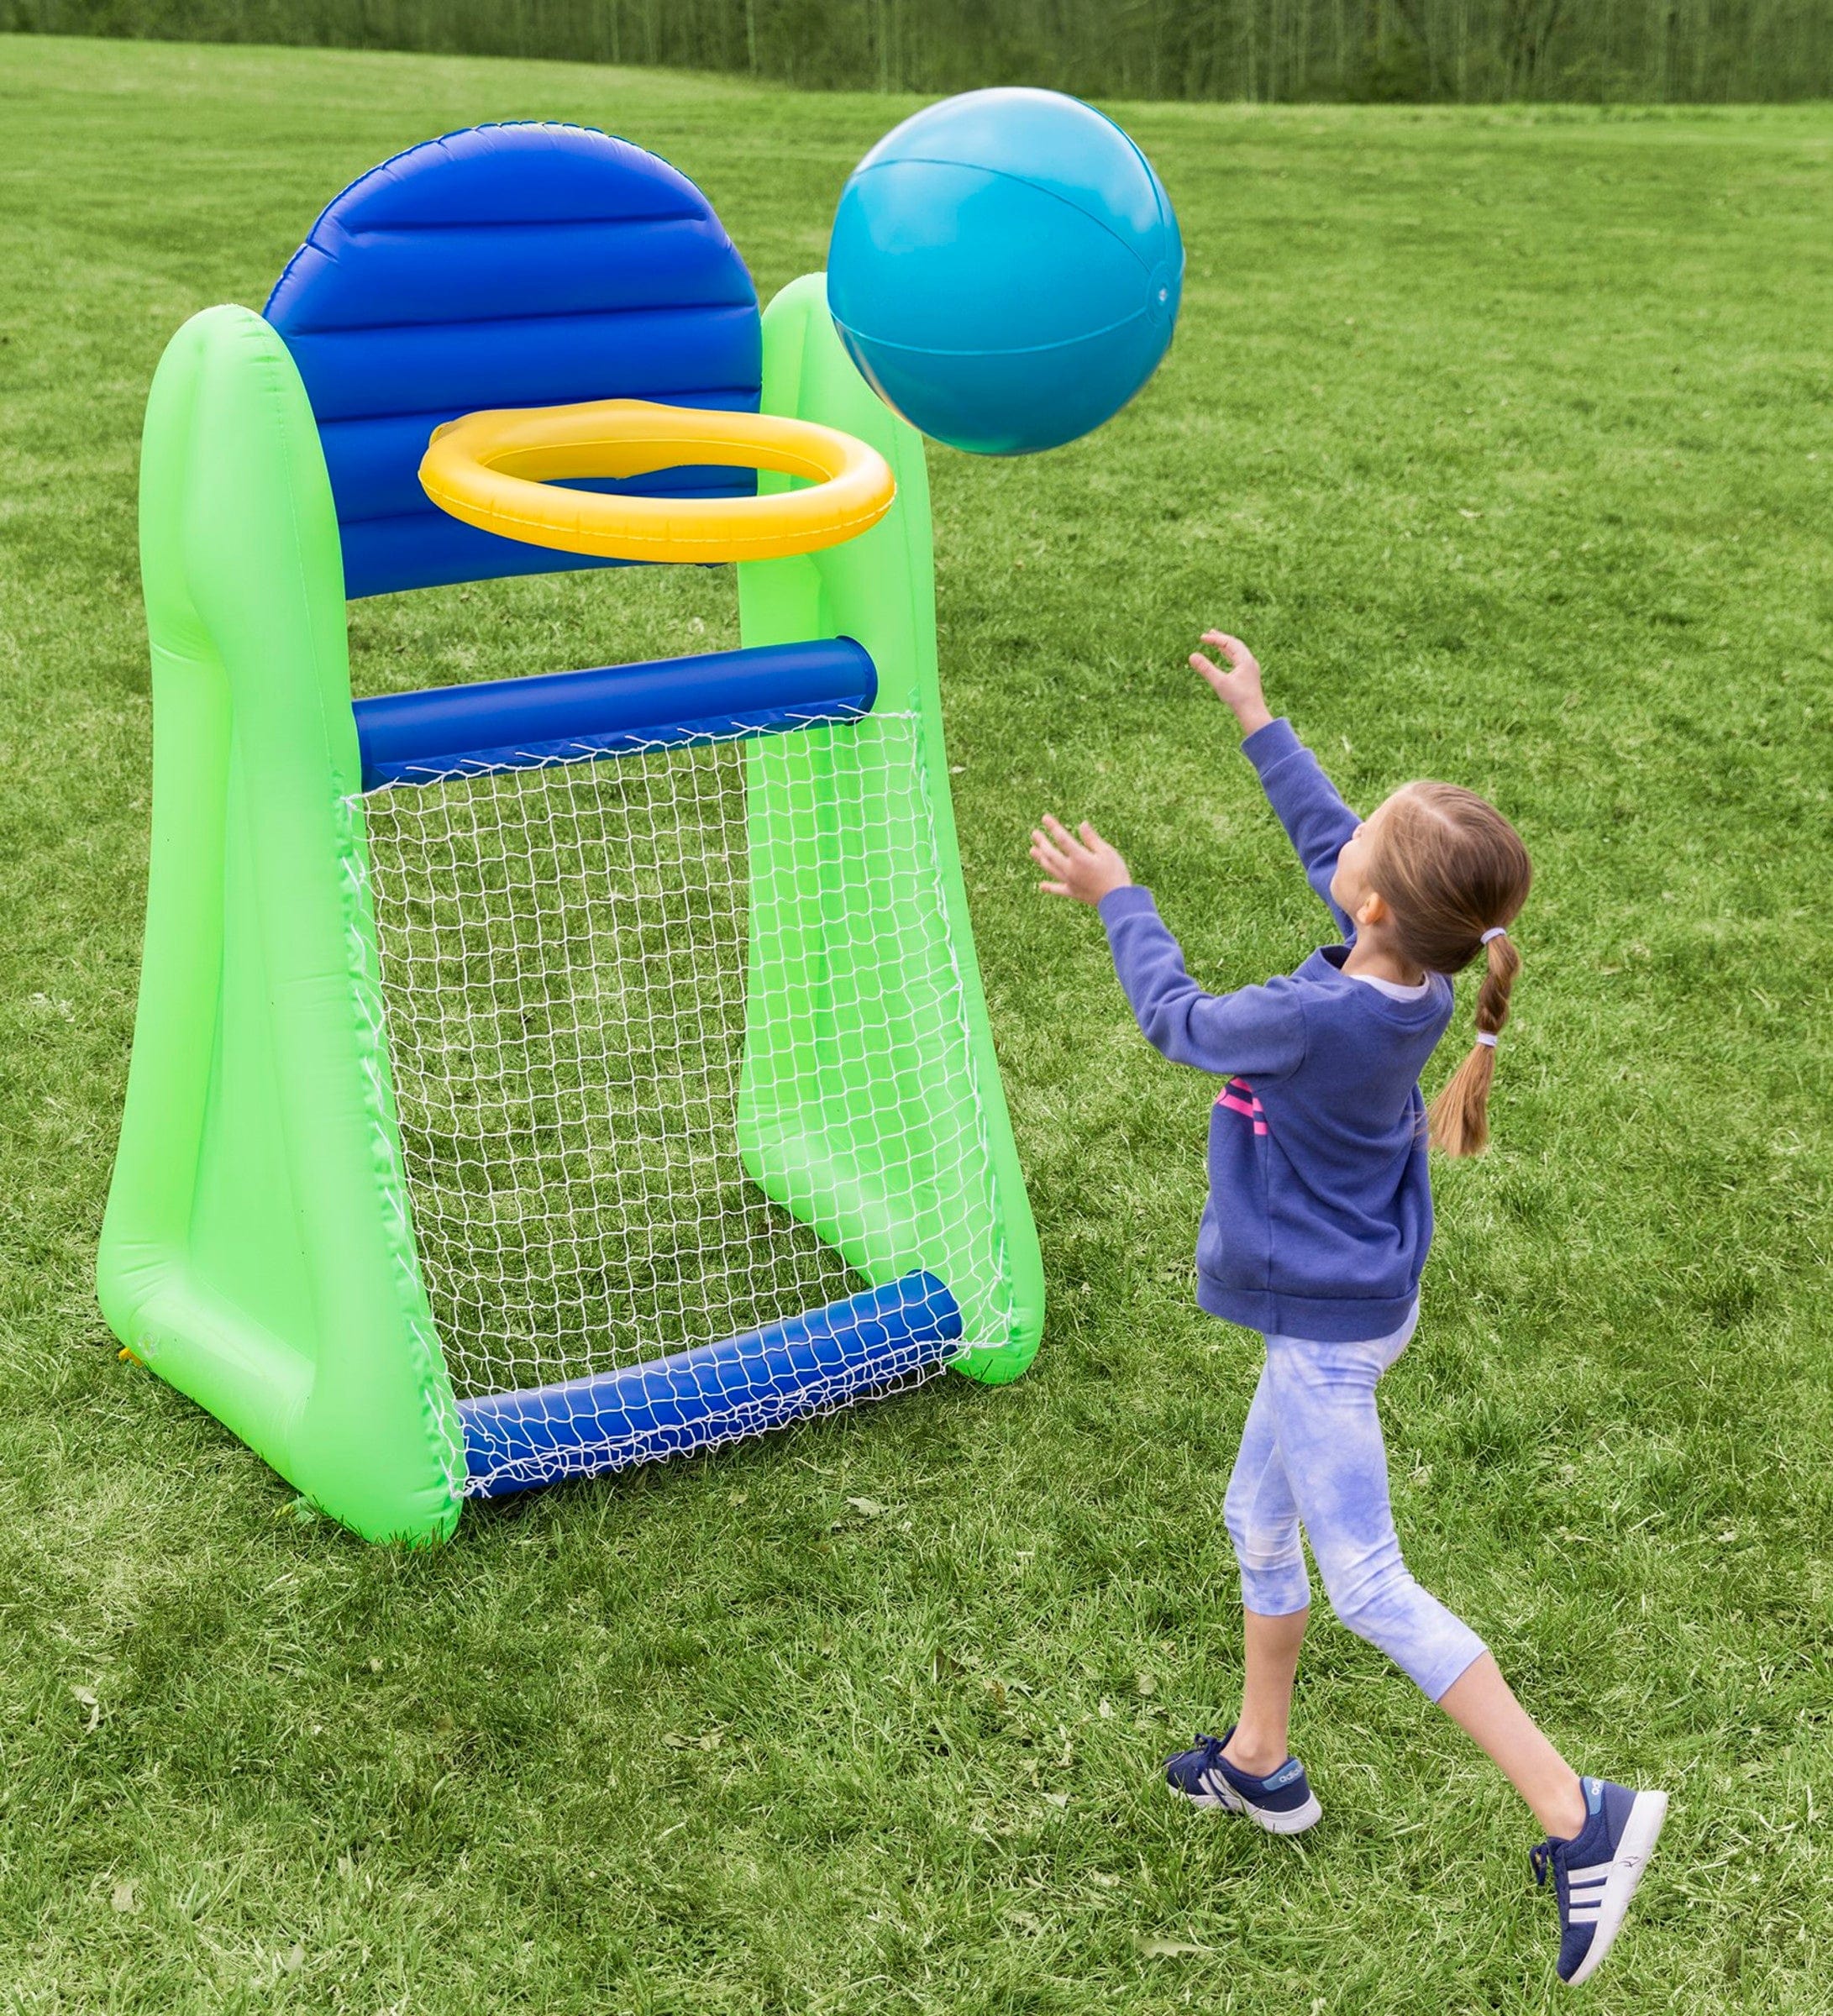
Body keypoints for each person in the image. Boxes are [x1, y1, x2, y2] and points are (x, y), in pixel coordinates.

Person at [1029, 632, 1667, 1989]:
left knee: (1370, 1584)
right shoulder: (1418, 976)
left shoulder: (1314, 1019)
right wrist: (1259, 718)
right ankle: (1260, 1765)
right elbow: (1339, 839)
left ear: (1367, 906)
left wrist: (1118, 896)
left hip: (1323, 1332)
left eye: (1363, 847)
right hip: (1357, 1296)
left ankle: (1577, 1813)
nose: (1345, 837)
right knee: (1253, 1520)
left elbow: (1179, 1024)